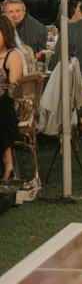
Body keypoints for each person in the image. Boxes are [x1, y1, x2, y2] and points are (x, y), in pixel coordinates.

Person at [0, 14, 23, 182]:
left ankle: (8, 167)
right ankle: (8, 166)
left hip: (9, 104)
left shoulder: (12, 55)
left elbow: (13, 89)